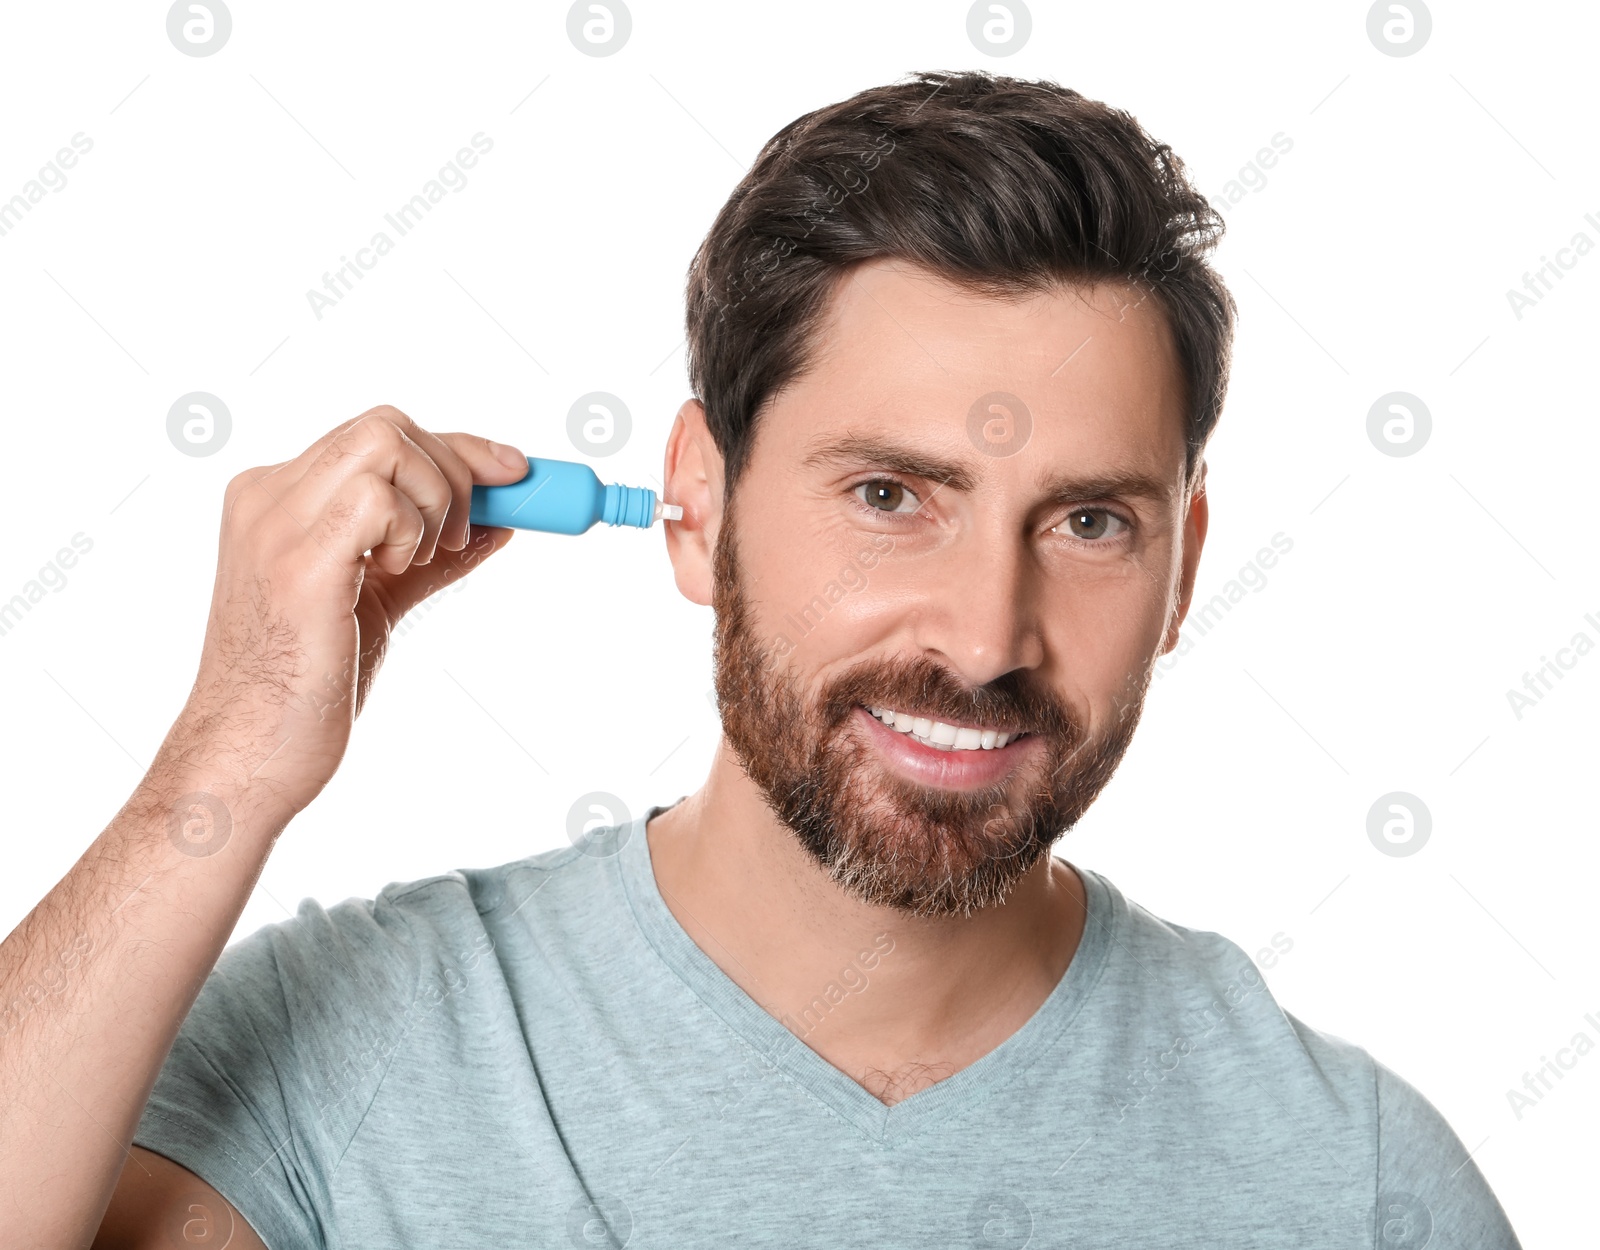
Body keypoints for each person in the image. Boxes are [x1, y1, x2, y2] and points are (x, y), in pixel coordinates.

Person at [1, 69, 1519, 1248]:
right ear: (698, 507)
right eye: (888, 497)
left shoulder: (1349, 1179)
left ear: (1184, 565)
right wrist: (228, 755)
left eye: (1089, 522)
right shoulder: (369, 1064)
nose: (985, 639)